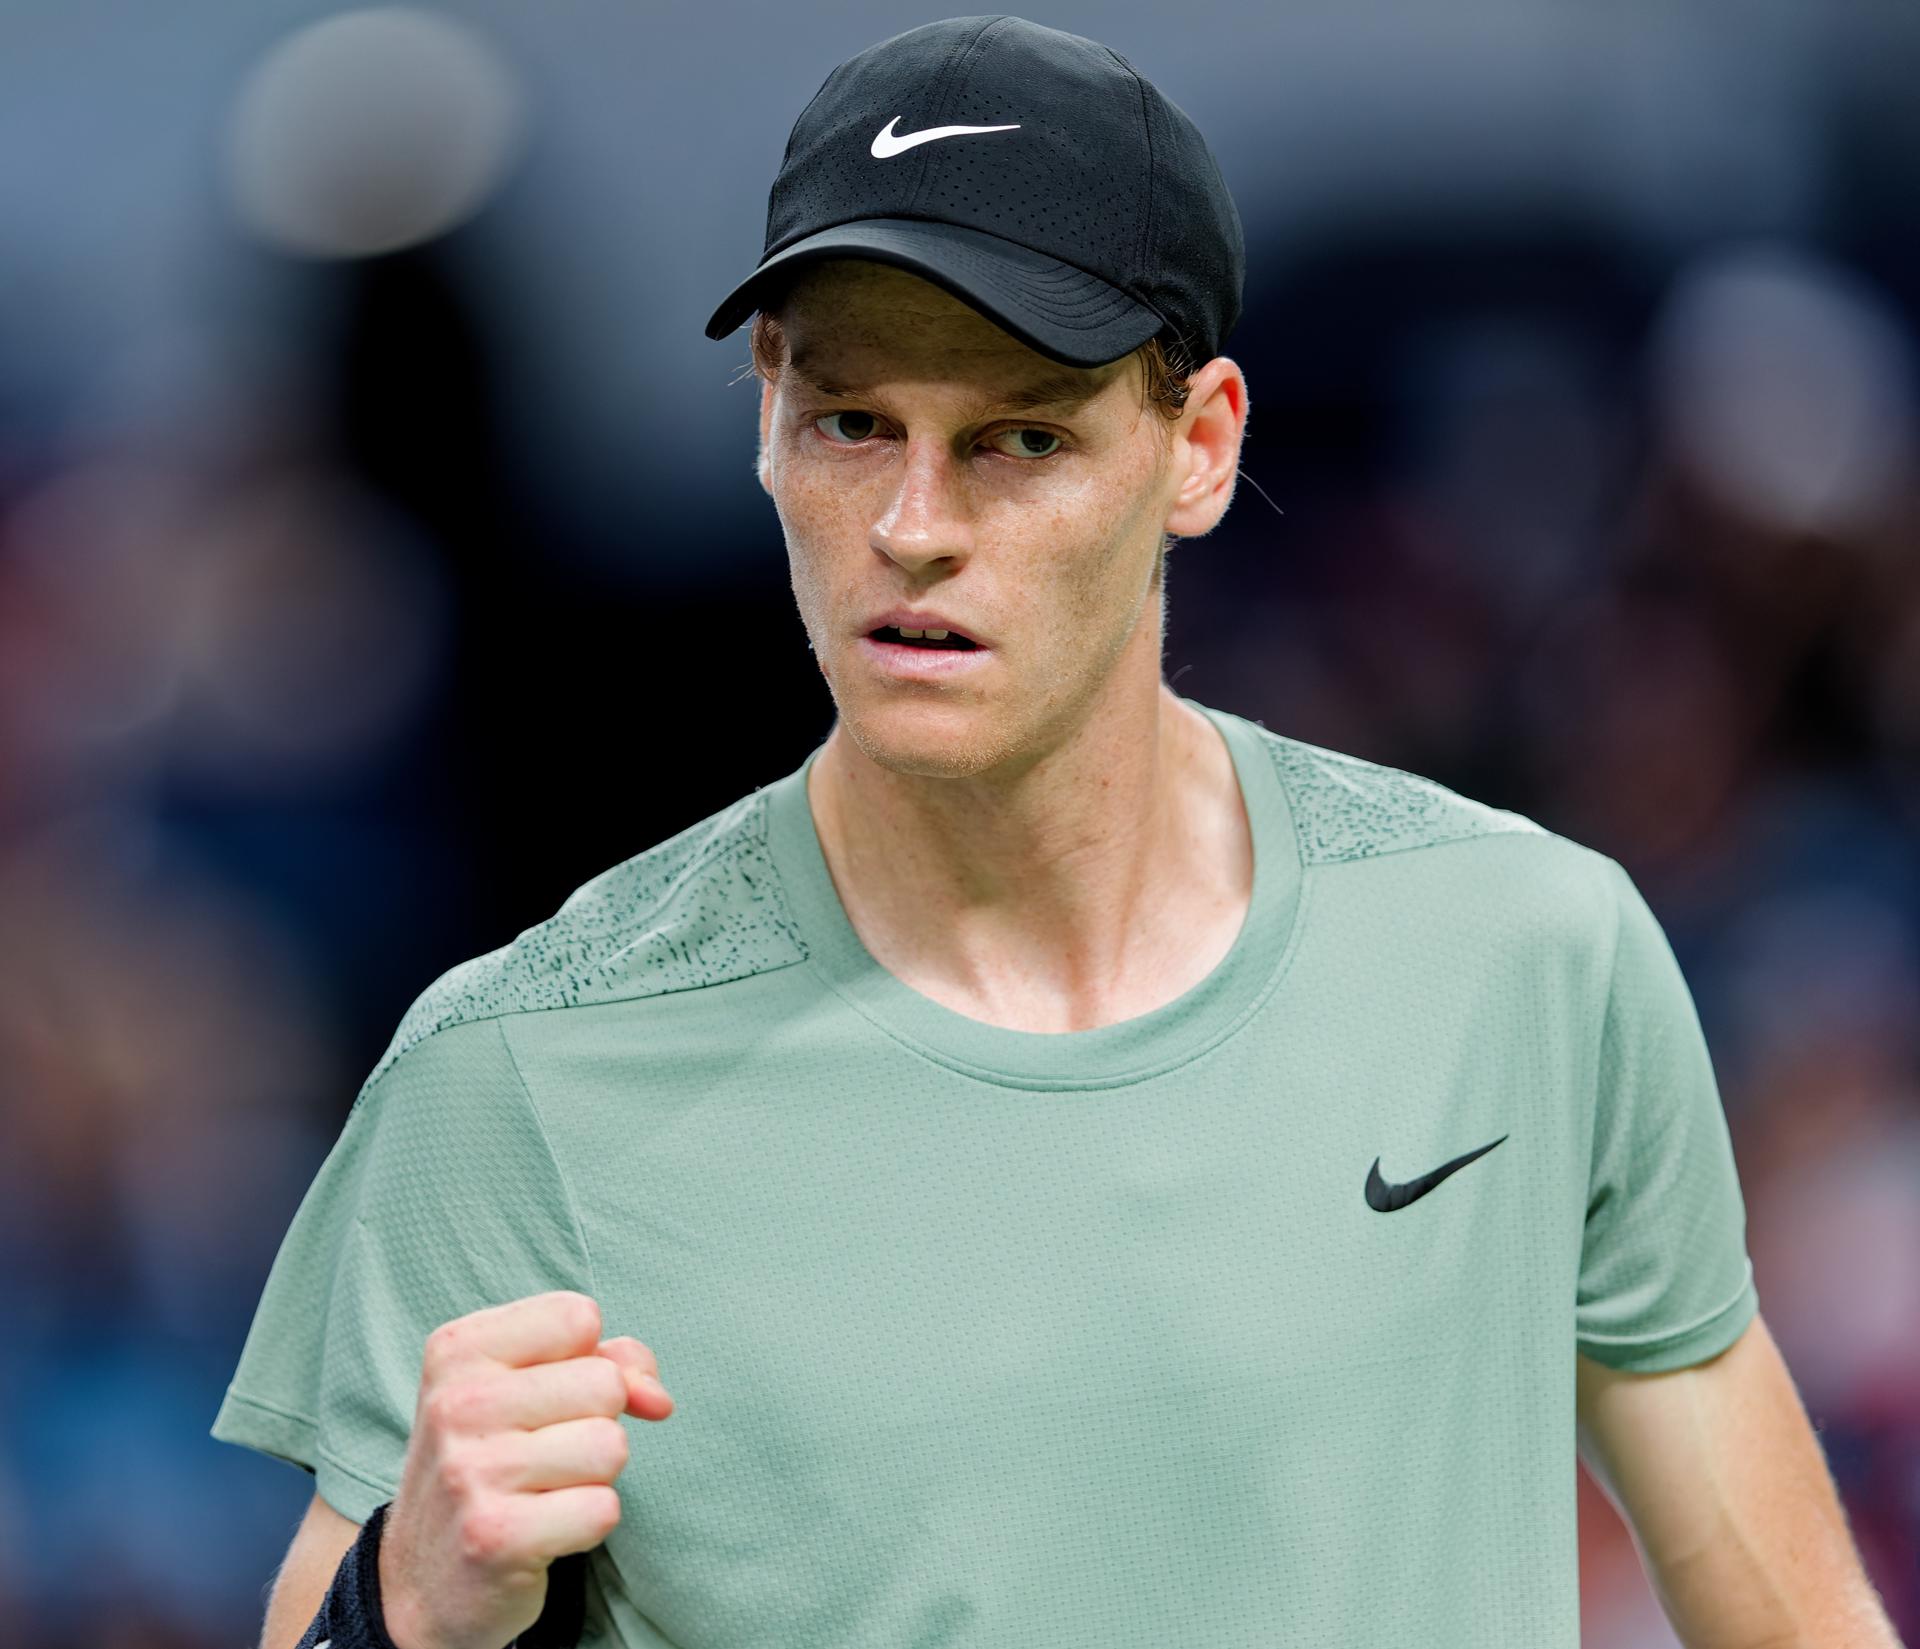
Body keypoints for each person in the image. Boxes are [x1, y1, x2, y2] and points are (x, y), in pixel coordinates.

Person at [213, 16, 1904, 1649]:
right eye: (852, 422)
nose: (915, 528)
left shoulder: (1528, 959)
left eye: (1023, 435)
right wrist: (404, 1613)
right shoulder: (511, 1067)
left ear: (1201, 446)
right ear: (764, 418)